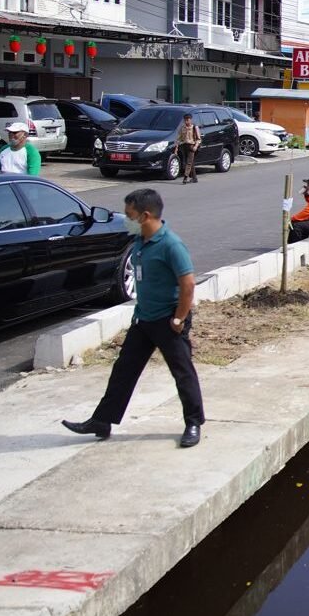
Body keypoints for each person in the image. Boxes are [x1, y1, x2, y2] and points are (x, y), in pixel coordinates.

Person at [63, 188, 204, 448]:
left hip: (168, 320)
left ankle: (193, 423)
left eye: (130, 215)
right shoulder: (140, 241)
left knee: (182, 372)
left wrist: (179, 319)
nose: (126, 219)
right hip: (144, 320)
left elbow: (188, 284)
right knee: (123, 371)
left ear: (145, 216)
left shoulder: (171, 244)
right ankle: (102, 421)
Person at [175, 112, 200, 184]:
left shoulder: (195, 127)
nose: (186, 121)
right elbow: (179, 138)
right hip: (184, 146)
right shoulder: (182, 128)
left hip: (191, 146)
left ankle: (185, 177)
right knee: (189, 162)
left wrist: (196, 146)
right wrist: (176, 147)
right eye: (185, 120)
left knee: (188, 163)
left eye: (187, 120)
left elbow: (198, 139)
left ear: (190, 120)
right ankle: (194, 178)